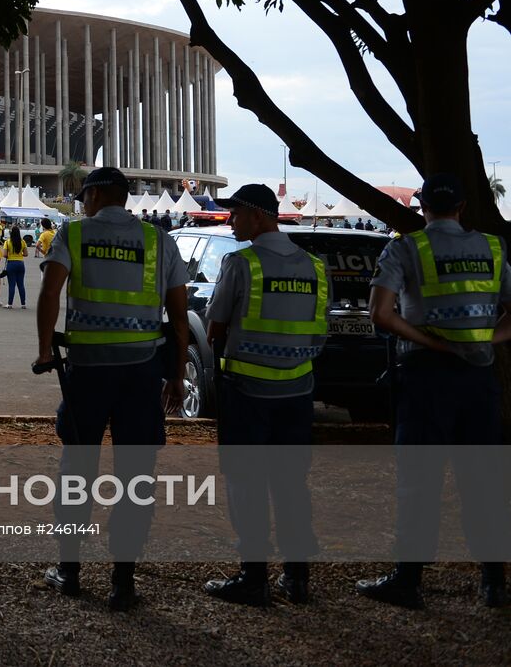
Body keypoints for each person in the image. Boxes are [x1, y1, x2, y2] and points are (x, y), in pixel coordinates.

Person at [35, 166, 189, 611]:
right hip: (142, 373)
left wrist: (45, 351)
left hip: (88, 372)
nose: (82, 201)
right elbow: (179, 319)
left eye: (84, 194)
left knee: (77, 471)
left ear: (100, 194)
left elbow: (49, 294)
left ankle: (69, 571)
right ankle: (123, 582)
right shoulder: (160, 241)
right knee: (136, 477)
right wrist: (177, 375)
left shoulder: (75, 234)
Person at [357, 173, 511, 609]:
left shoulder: (406, 248)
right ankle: (493, 582)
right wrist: (484, 341)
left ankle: (408, 581)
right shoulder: (492, 248)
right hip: (478, 380)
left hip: (427, 378)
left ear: (420, 205)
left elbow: (381, 315)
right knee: (483, 481)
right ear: (463, 207)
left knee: (419, 482)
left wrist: (431, 341)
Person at [201, 184, 329, 606]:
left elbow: (214, 325)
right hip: (298, 393)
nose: (230, 220)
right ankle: (296, 578)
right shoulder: (314, 266)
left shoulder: (242, 264)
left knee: (246, 483)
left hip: (248, 394)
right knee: (292, 483)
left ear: (257, 216)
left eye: (235, 213)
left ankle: (253, 576)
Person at [2, 226, 29, 309]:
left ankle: (10, 304)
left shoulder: (7, 242)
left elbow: (4, 255)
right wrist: (20, 255)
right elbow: (26, 254)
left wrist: (11, 254)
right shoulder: (23, 242)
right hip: (20, 263)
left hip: (11, 264)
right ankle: (23, 303)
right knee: (21, 284)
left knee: (12, 285)